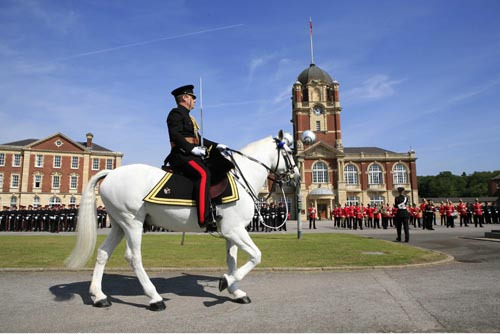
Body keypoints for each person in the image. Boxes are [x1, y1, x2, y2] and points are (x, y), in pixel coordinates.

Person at [162, 84, 229, 232]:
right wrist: (191, 148)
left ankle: (214, 207)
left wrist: (217, 145)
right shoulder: (176, 114)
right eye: (192, 97)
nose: (194, 101)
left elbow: (199, 138)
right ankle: (203, 217)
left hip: (190, 154)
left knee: (216, 168)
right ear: (185, 98)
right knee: (203, 173)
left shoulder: (189, 117)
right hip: (181, 155)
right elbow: (176, 135)